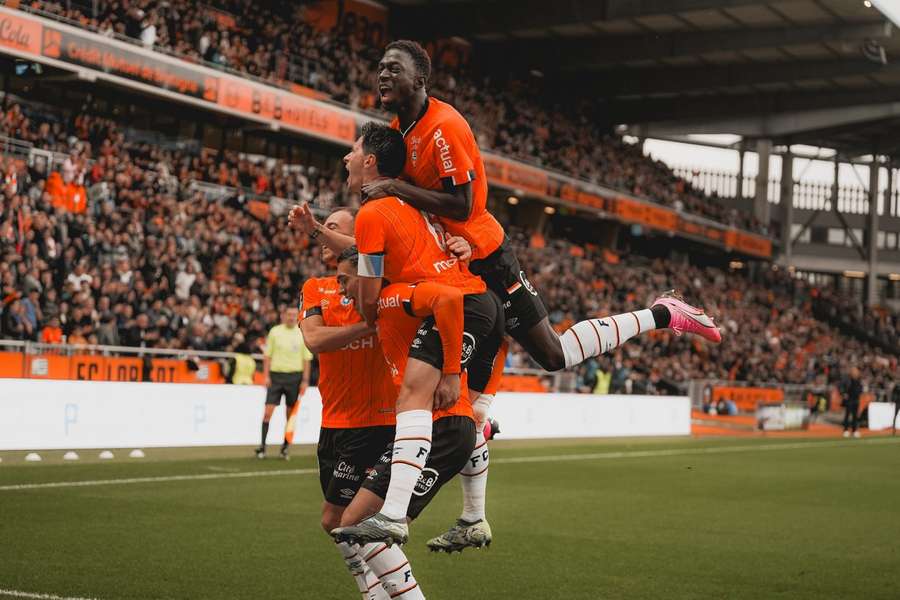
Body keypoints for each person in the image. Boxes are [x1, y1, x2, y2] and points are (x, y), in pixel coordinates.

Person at [364, 39, 722, 373]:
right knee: (454, 346)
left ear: (420, 79)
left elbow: (461, 204)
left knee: (553, 353)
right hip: (446, 259)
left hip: (483, 255)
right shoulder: (399, 129)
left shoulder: (443, 127)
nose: (383, 74)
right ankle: (476, 428)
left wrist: (394, 187)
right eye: (381, 67)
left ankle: (663, 313)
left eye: (394, 68)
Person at [325, 123, 503, 547]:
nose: (346, 159)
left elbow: (369, 287)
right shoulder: (407, 204)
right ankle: (472, 510)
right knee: (461, 407)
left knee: (416, 397)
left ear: (370, 160)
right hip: (474, 298)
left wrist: (372, 303)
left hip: (455, 302)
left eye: (352, 151)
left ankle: (396, 516)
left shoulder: (374, 216)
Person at [332, 248, 481, 597]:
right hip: (430, 428)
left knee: (359, 526)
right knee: (355, 527)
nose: (342, 291)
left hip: (442, 426)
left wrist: (450, 374)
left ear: (367, 277)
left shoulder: (391, 297)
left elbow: (448, 297)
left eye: (345, 281)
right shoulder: (381, 309)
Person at [299, 207, 399, 600]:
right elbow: (314, 340)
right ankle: (377, 588)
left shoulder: (374, 284)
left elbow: (371, 258)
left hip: (375, 422)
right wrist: (365, 327)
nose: (324, 234)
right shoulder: (315, 287)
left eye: (334, 229)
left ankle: (385, 591)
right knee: (336, 522)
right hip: (333, 422)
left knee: (341, 518)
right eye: (324, 228)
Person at [255, 306, 312, 459]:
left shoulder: (301, 332)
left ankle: (285, 448)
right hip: (276, 376)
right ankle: (262, 447)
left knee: (290, 415)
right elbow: (268, 356)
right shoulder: (275, 331)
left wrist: (305, 380)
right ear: (283, 315)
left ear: (298, 316)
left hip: (294, 377)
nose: (292, 317)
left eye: (294, 314)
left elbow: (306, 359)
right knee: (268, 413)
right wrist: (266, 376)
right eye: (289, 314)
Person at [842, 367, 863, 438]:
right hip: (849, 400)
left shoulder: (858, 381)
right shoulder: (847, 380)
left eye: (856, 372)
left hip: (856, 400)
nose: (855, 373)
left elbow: (860, 389)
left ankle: (854, 431)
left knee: (855, 416)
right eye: (854, 372)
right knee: (847, 415)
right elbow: (842, 387)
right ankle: (845, 430)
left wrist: (859, 393)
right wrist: (844, 393)